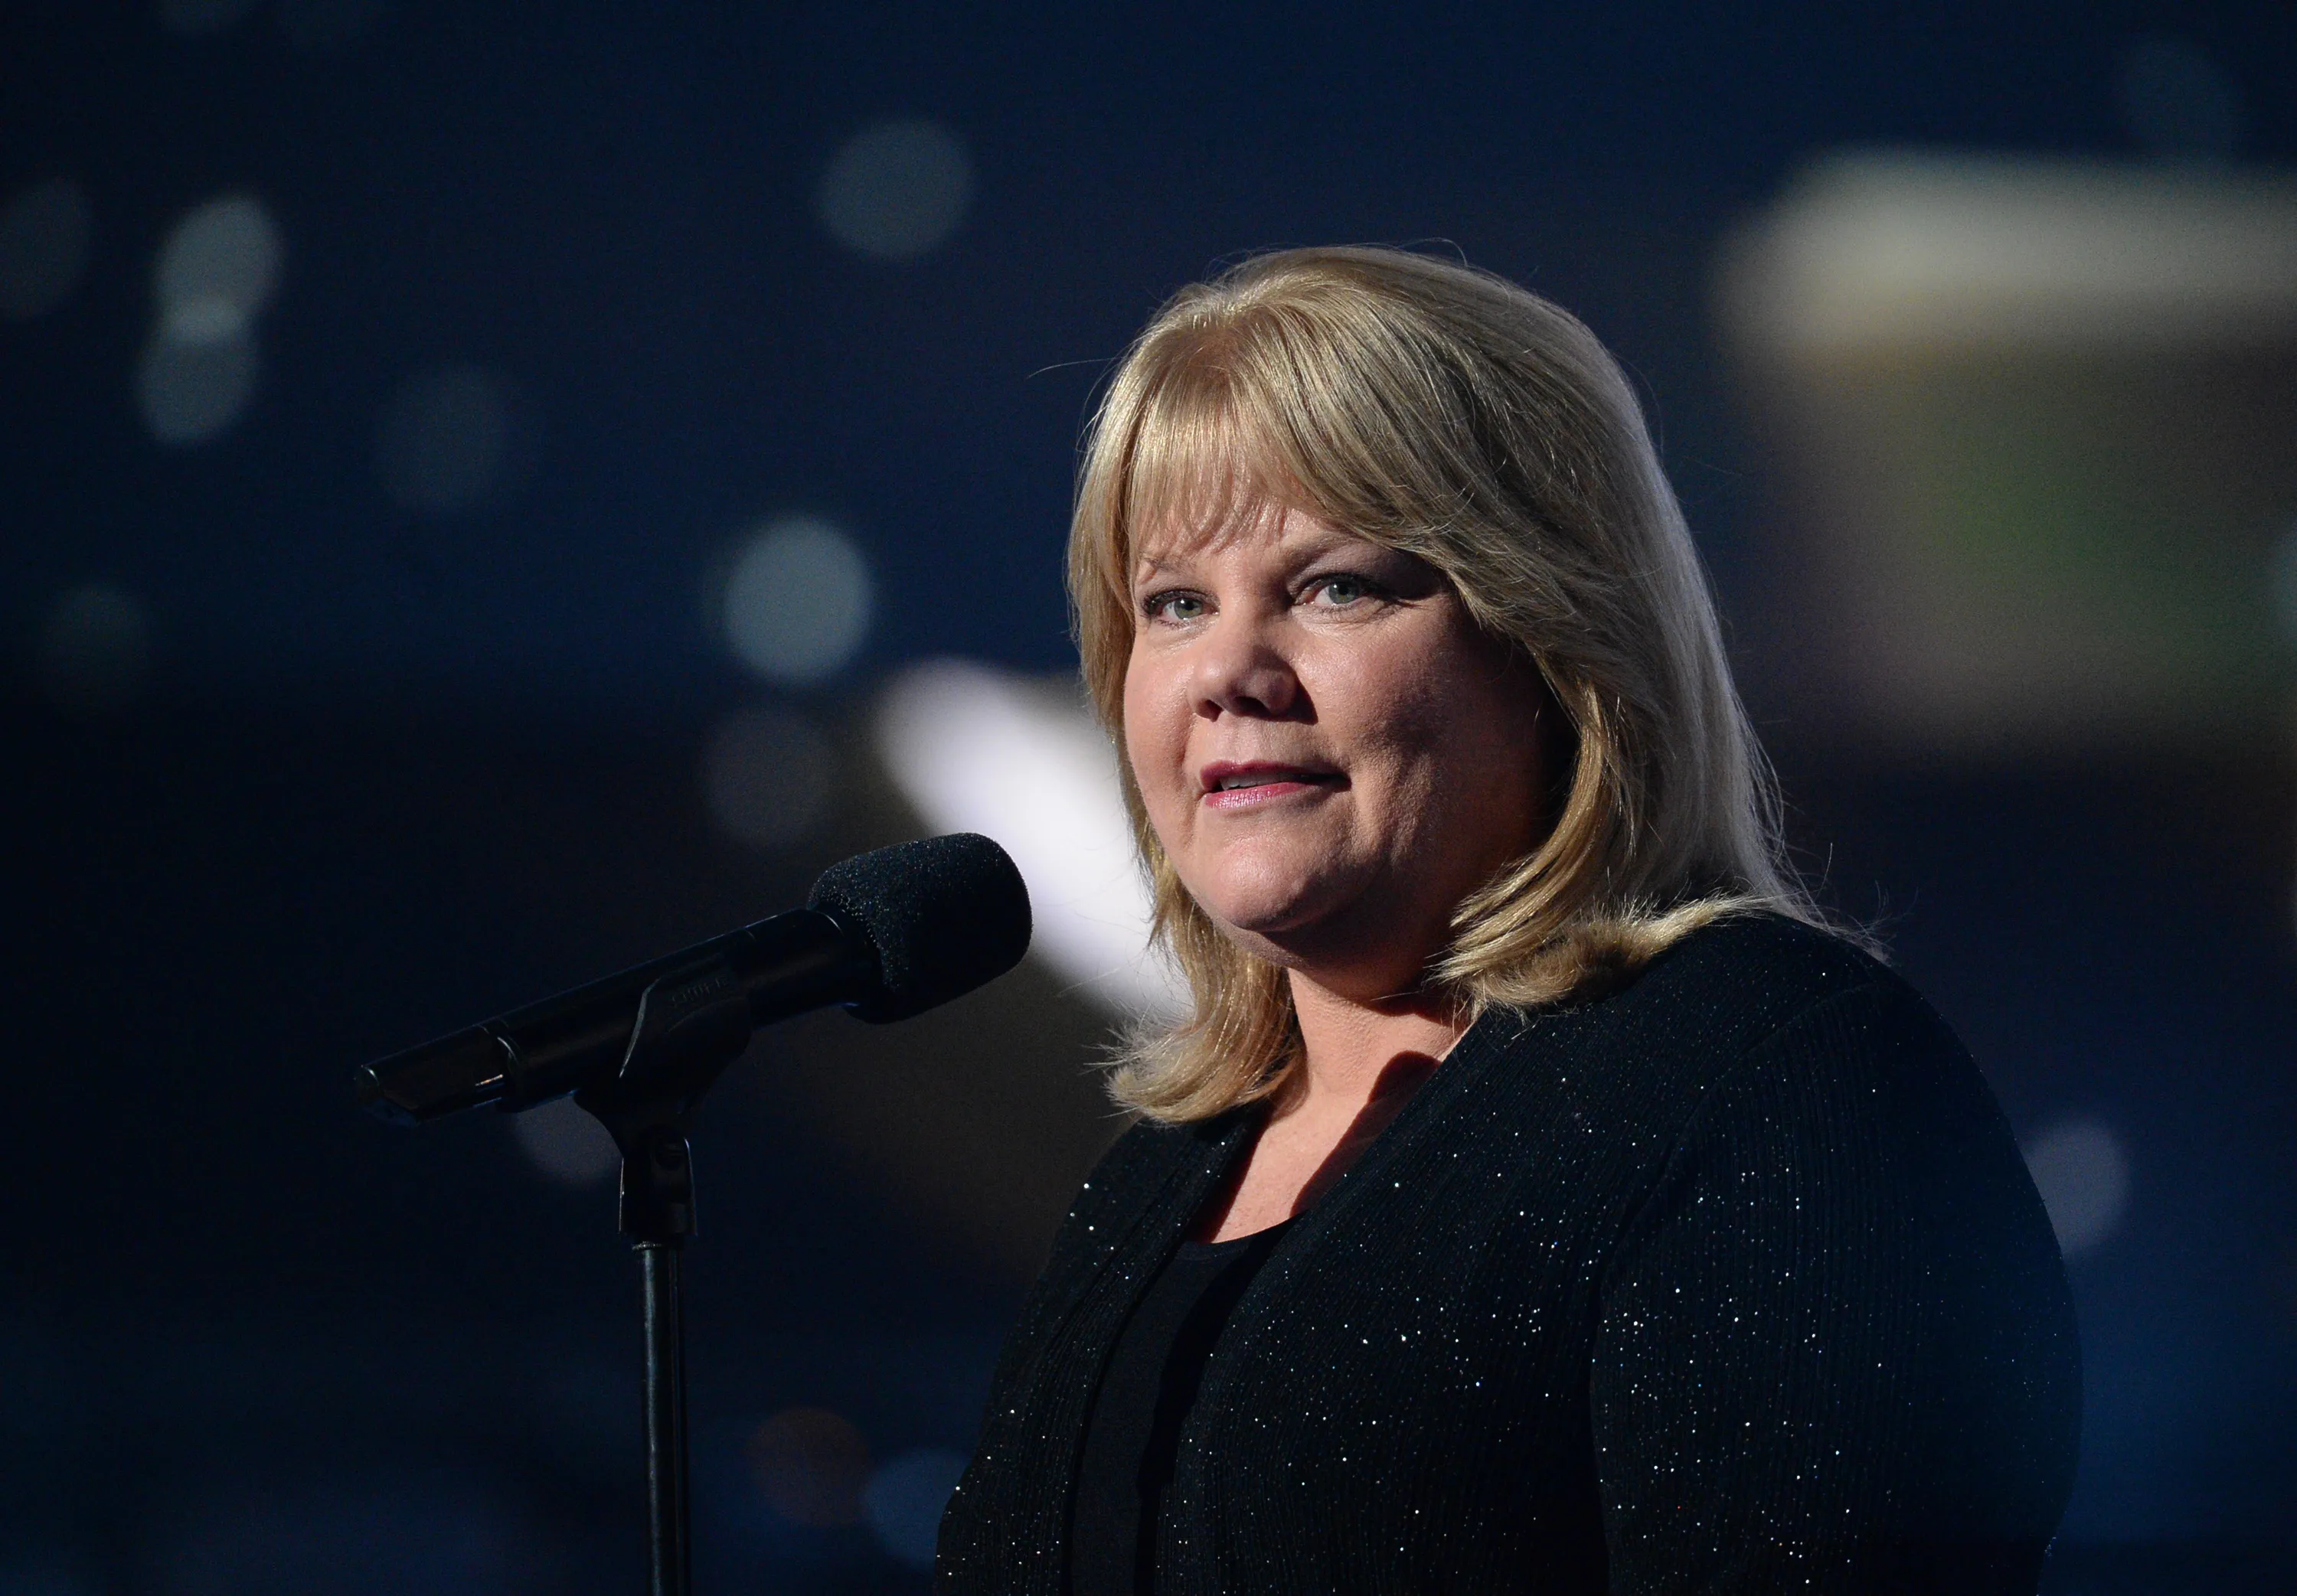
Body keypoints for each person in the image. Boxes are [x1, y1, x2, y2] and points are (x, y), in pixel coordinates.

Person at [936, 246, 2080, 1594]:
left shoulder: (1768, 1077)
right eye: (1175, 604)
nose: (1227, 671)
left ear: (1553, 643)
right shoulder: (1150, 1186)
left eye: (1335, 586)